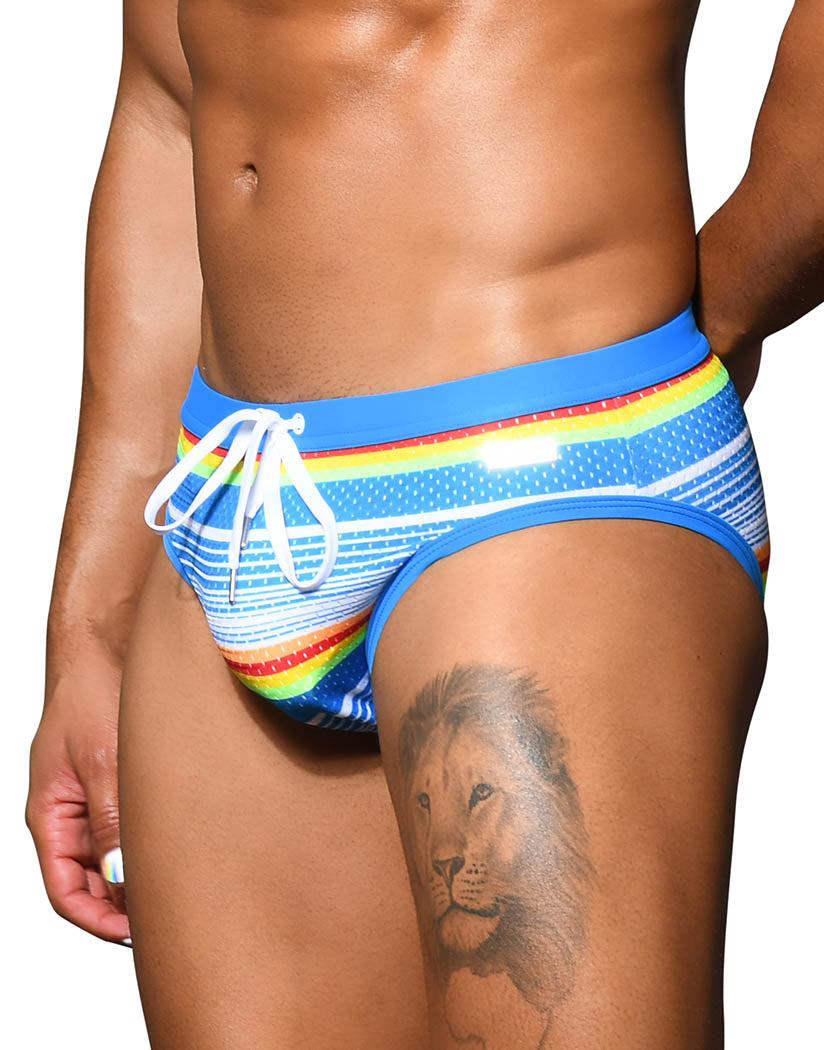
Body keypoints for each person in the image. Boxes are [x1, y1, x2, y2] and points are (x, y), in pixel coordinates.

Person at [24, 0, 823, 1046]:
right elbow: (168, 99)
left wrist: (716, 313)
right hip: (240, 491)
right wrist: (87, 627)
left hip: (540, 466)